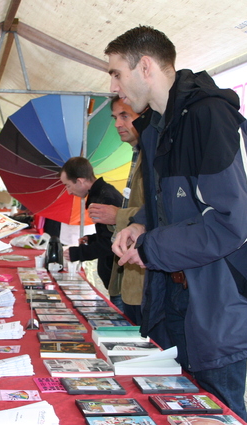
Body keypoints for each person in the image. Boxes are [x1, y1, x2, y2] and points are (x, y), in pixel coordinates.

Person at [106, 26, 247, 421]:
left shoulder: (210, 118)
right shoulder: (158, 129)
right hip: (175, 296)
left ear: (145, 67)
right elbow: (178, 206)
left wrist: (150, 248)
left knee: (216, 411)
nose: (113, 85)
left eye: (116, 73)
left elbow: (235, 221)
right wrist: (142, 223)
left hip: (221, 302)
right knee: (171, 408)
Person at [87, 97, 147, 323]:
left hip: (141, 280)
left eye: (125, 116)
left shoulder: (151, 156)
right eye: (115, 118)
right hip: (127, 276)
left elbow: (159, 212)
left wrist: (118, 216)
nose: (117, 124)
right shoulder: (137, 153)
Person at [60, 157, 123, 298]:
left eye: (68, 185)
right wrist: (92, 239)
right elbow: (109, 233)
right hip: (112, 274)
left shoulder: (105, 198)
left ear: (80, 181)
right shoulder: (99, 194)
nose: (68, 192)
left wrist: (78, 253)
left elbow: (111, 242)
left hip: (119, 277)